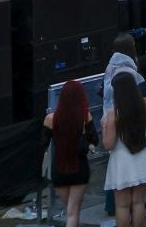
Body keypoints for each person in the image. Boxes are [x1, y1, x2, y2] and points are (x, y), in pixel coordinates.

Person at [104, 70, 146, 227]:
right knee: (139, 202)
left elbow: (108, 144)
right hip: (141, 156)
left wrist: (105, 128)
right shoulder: (145, 104)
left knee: (122, 205)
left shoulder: (114, 114)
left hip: (121, 160)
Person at [46, 78, 96, 227]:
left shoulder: (51, 118)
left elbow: (43, 143)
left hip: (59, 168)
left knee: (69, 210)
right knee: (74, 211)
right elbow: (95, 139)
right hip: (79, 167)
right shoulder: (85, 116)